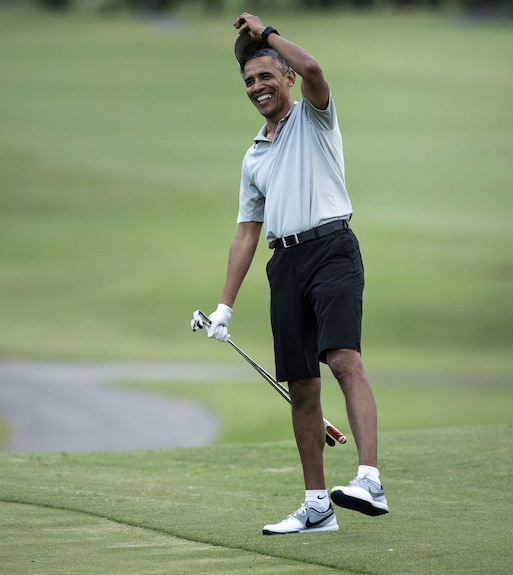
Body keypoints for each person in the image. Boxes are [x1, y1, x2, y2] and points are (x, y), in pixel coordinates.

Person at [193, 12, 388, 535]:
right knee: (302, 387)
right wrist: (224, 307)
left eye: (266, 76)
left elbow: (317, 67)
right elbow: (246, 233)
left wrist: (266, 32)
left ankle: (369, 479)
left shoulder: (315, 117)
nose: (257, 87)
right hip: (285, 265)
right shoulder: (253, 156)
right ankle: (317, 506)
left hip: (332, 249)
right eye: (249, 81)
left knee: (345, 360)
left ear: (287, 79)